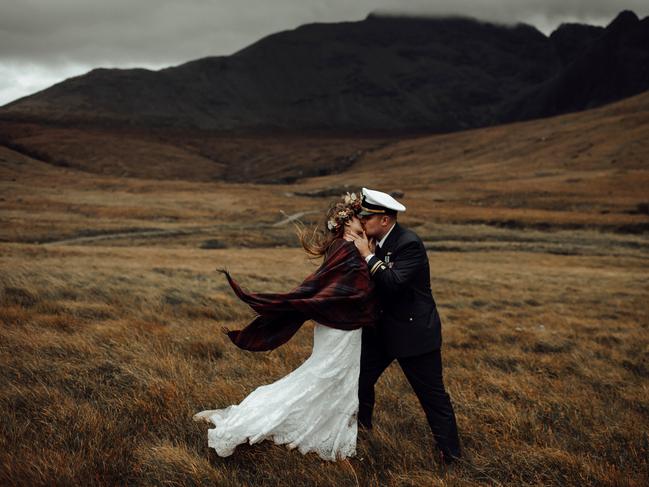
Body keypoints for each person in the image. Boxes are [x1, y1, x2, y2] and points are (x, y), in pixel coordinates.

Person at [193, 192, 377, 461]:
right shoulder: (348, 249)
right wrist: (369, 256)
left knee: (333, 379)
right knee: (323, 377)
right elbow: (360, 290)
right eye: (359, 216)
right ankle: (252, 420)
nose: (364, 220)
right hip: (341, 329)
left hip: (340, 327)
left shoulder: (345, 246)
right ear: (346, 223)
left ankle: (325, 429)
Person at [348, 187, 462, 465]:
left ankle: (452, 456)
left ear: (384, 220)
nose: (362, 221)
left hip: (414, 334)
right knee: (359, 381)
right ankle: (363, 435)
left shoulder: (409, 243)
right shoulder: (376, 241)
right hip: (382, 332)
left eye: (367, 217)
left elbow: (395, 284)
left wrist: (367, 255)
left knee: (432, 396)